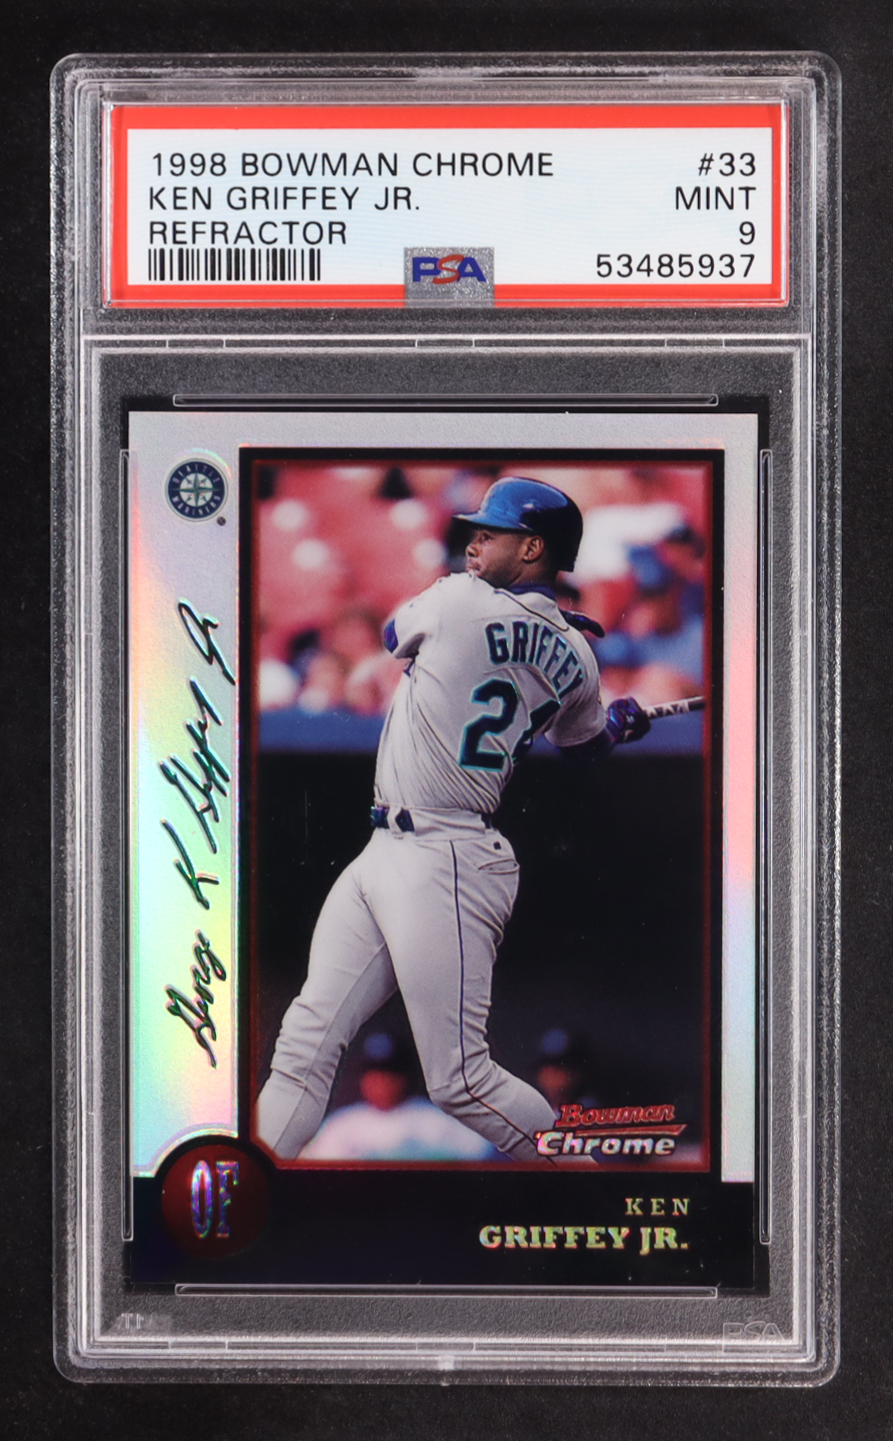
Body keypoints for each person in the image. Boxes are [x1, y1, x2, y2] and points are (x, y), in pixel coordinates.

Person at [256, 478, 650, 1163]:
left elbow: (391, 635)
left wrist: (515, 635)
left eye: (492, 532)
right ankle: (242, 1190)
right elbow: (584, 744)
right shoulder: (579, 654)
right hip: (392, 848)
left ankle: (588, 1183)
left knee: (461, 1079)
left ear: (533, 548)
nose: (474, 541)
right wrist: (618, 721)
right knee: (304, 1045)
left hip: (448, 853)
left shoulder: (457, 598)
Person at [300, 1031, 500, 1161]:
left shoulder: (437, 1122)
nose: (381, 1082)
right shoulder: (342, 1125)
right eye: (374, 1074)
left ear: (406, 1077)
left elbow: (483, 1158)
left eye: (389, 1074)